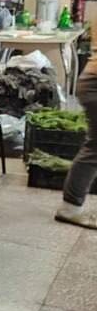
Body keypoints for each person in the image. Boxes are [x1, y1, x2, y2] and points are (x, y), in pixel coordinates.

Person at [55, 58, 97, 228]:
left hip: (91, 82)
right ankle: (70, 208)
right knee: (95, 149)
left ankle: (70, 206)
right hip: (94, 85)